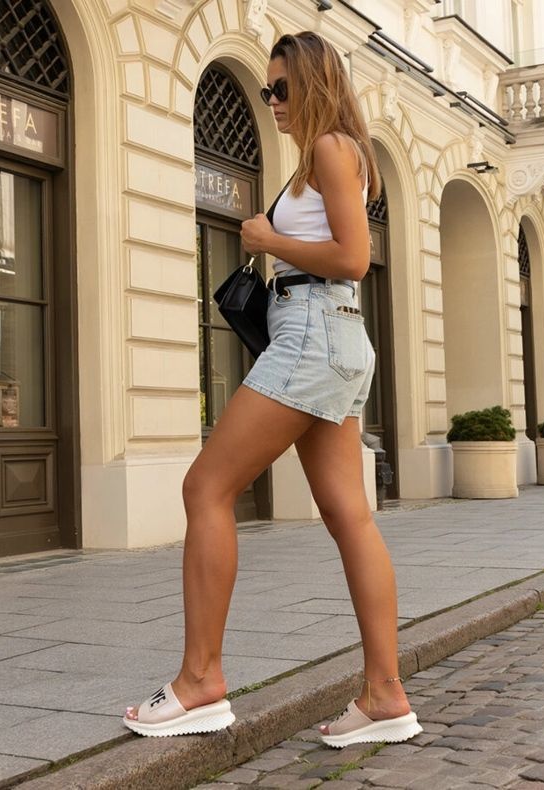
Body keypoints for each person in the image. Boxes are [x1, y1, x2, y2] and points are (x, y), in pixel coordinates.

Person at [124, 30, 422, 748]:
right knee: (350, 514)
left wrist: (266, 239)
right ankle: (384, 695)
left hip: (315, 330)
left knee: (205, 488)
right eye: (266, 91)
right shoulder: (341, 153)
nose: (272, 101)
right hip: (329, 335)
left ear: (316, 82)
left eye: (280, 88)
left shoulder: (329, 150)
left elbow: (354, 257)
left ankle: (200, 683)